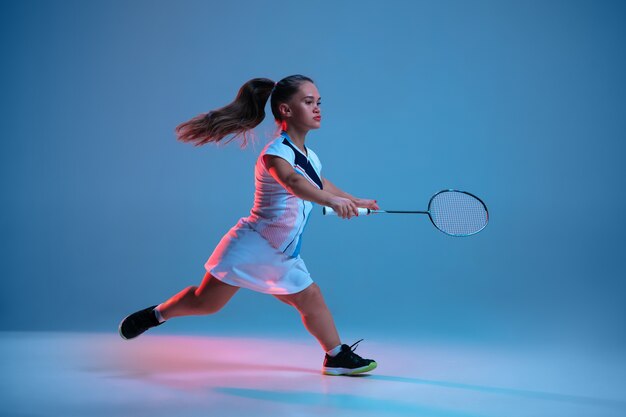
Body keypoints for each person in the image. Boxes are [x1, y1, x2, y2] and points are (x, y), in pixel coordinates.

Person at [118, 75, 379, 376]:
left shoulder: (310, 156)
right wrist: (330, 202)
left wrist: (354, 200)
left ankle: (335, 357)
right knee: (206, 303)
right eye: (308, 102)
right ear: (286, 110)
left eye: (318, 102)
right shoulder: (275, 153)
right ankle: (157, 314)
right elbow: (295, 183)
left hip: (281, 252)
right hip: (253, 245)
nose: (317, 108)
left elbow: (319, 182)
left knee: (310, 297)